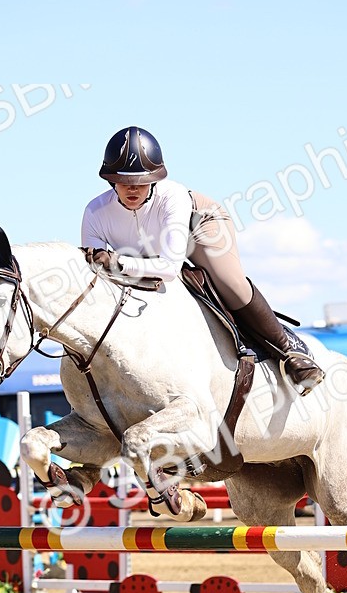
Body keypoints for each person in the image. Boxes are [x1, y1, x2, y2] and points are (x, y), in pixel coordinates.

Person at [80, 126, 325, 395]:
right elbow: (96, 274)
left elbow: (170, 269)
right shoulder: (95, 212)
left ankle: (290, 351)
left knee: (228, 283)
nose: (133, 188)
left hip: (198, 226)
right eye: (125, 181)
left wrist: (118, 262)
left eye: (142, 181)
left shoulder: (171, 196)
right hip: (144, 251)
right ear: (110, 181)